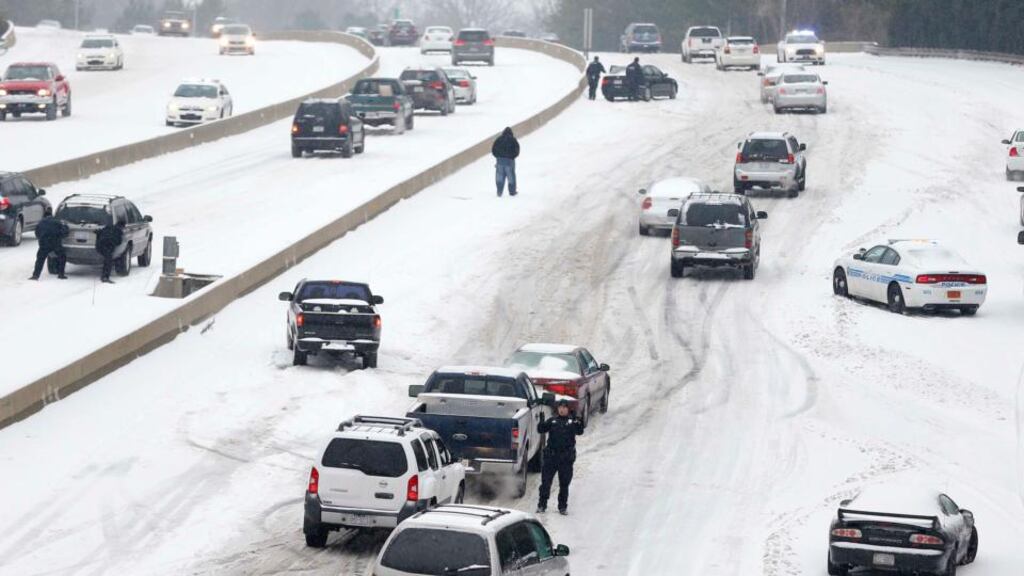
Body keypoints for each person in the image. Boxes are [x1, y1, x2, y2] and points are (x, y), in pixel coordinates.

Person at [536, 398, 585, 515]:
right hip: (551, 457)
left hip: (566, 459)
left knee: (564, 484)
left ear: (568, 409)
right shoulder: (552, 421)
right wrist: (541, 421)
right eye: (560, 407)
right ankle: (542, 504)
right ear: (557, 409)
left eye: (564, 407)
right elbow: (541, 429)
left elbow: (580, 431)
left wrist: (579, 421)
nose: (562, 410)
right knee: (546, 482)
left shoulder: (571, 422)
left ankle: (562, 506)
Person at [29, 215, 69, 280]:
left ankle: (35, 275)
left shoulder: (41, 223)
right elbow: (64, 232)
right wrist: (65, 227)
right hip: (55, 243)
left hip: (44, 244)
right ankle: (61, 274)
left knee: (40, 259)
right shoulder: (58, 222)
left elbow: (37, 233)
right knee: (62, 257)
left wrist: (41, 239)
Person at [491, 127, 520, 197]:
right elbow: (517, 150)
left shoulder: (499, 139)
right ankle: (512, 192)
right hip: (509, 162)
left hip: (500, 161)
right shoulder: (513, 140)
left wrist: (498, 156)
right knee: (511, 178)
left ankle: (499, 192)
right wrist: (512, 157)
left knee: (499, 177)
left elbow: (493, 150)